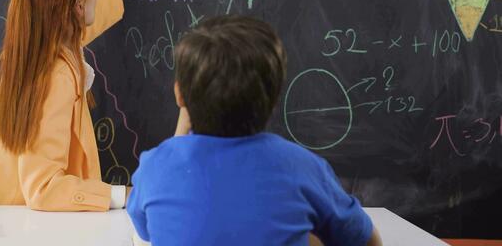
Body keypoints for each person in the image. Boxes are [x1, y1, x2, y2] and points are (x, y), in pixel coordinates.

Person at [127, 15, 383, 246]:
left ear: (178, 94)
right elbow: (368, 241)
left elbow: (145, 230)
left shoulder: (155, 167)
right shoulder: (301, 167)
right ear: (274, 97)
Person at [0, 0, 157, 211]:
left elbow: (95, 16)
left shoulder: (35, 46)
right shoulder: (55, 75)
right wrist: (127, 196)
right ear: (78, 7)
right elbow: (44, 187)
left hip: (2, 210)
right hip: (23, 227)